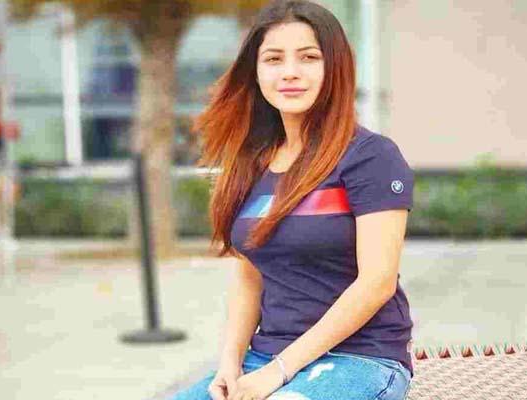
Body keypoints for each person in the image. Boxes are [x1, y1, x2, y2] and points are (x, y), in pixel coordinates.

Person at [170, 1, 415, 399]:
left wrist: (280, 371)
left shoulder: (370, 156)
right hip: (265, 356)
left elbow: (377, 282)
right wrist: (230, 363)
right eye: (273, 59)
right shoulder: (253, 163)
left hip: (361, 358)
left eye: (308, 57)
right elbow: (249, 276)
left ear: (334, 66)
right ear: (255, 71)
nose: (289, 72)